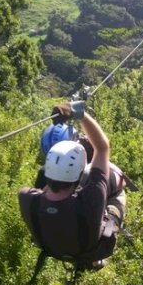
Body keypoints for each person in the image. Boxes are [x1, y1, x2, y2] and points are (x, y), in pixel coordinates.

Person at [18, 101, 122, 273]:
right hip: (89, 249)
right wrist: (78, 113)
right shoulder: (92, 199)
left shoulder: (26, 198)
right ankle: (96, 261)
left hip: (53, 250)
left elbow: (45, 186)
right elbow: (102, 147)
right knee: (118, 191)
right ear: (79, 176)